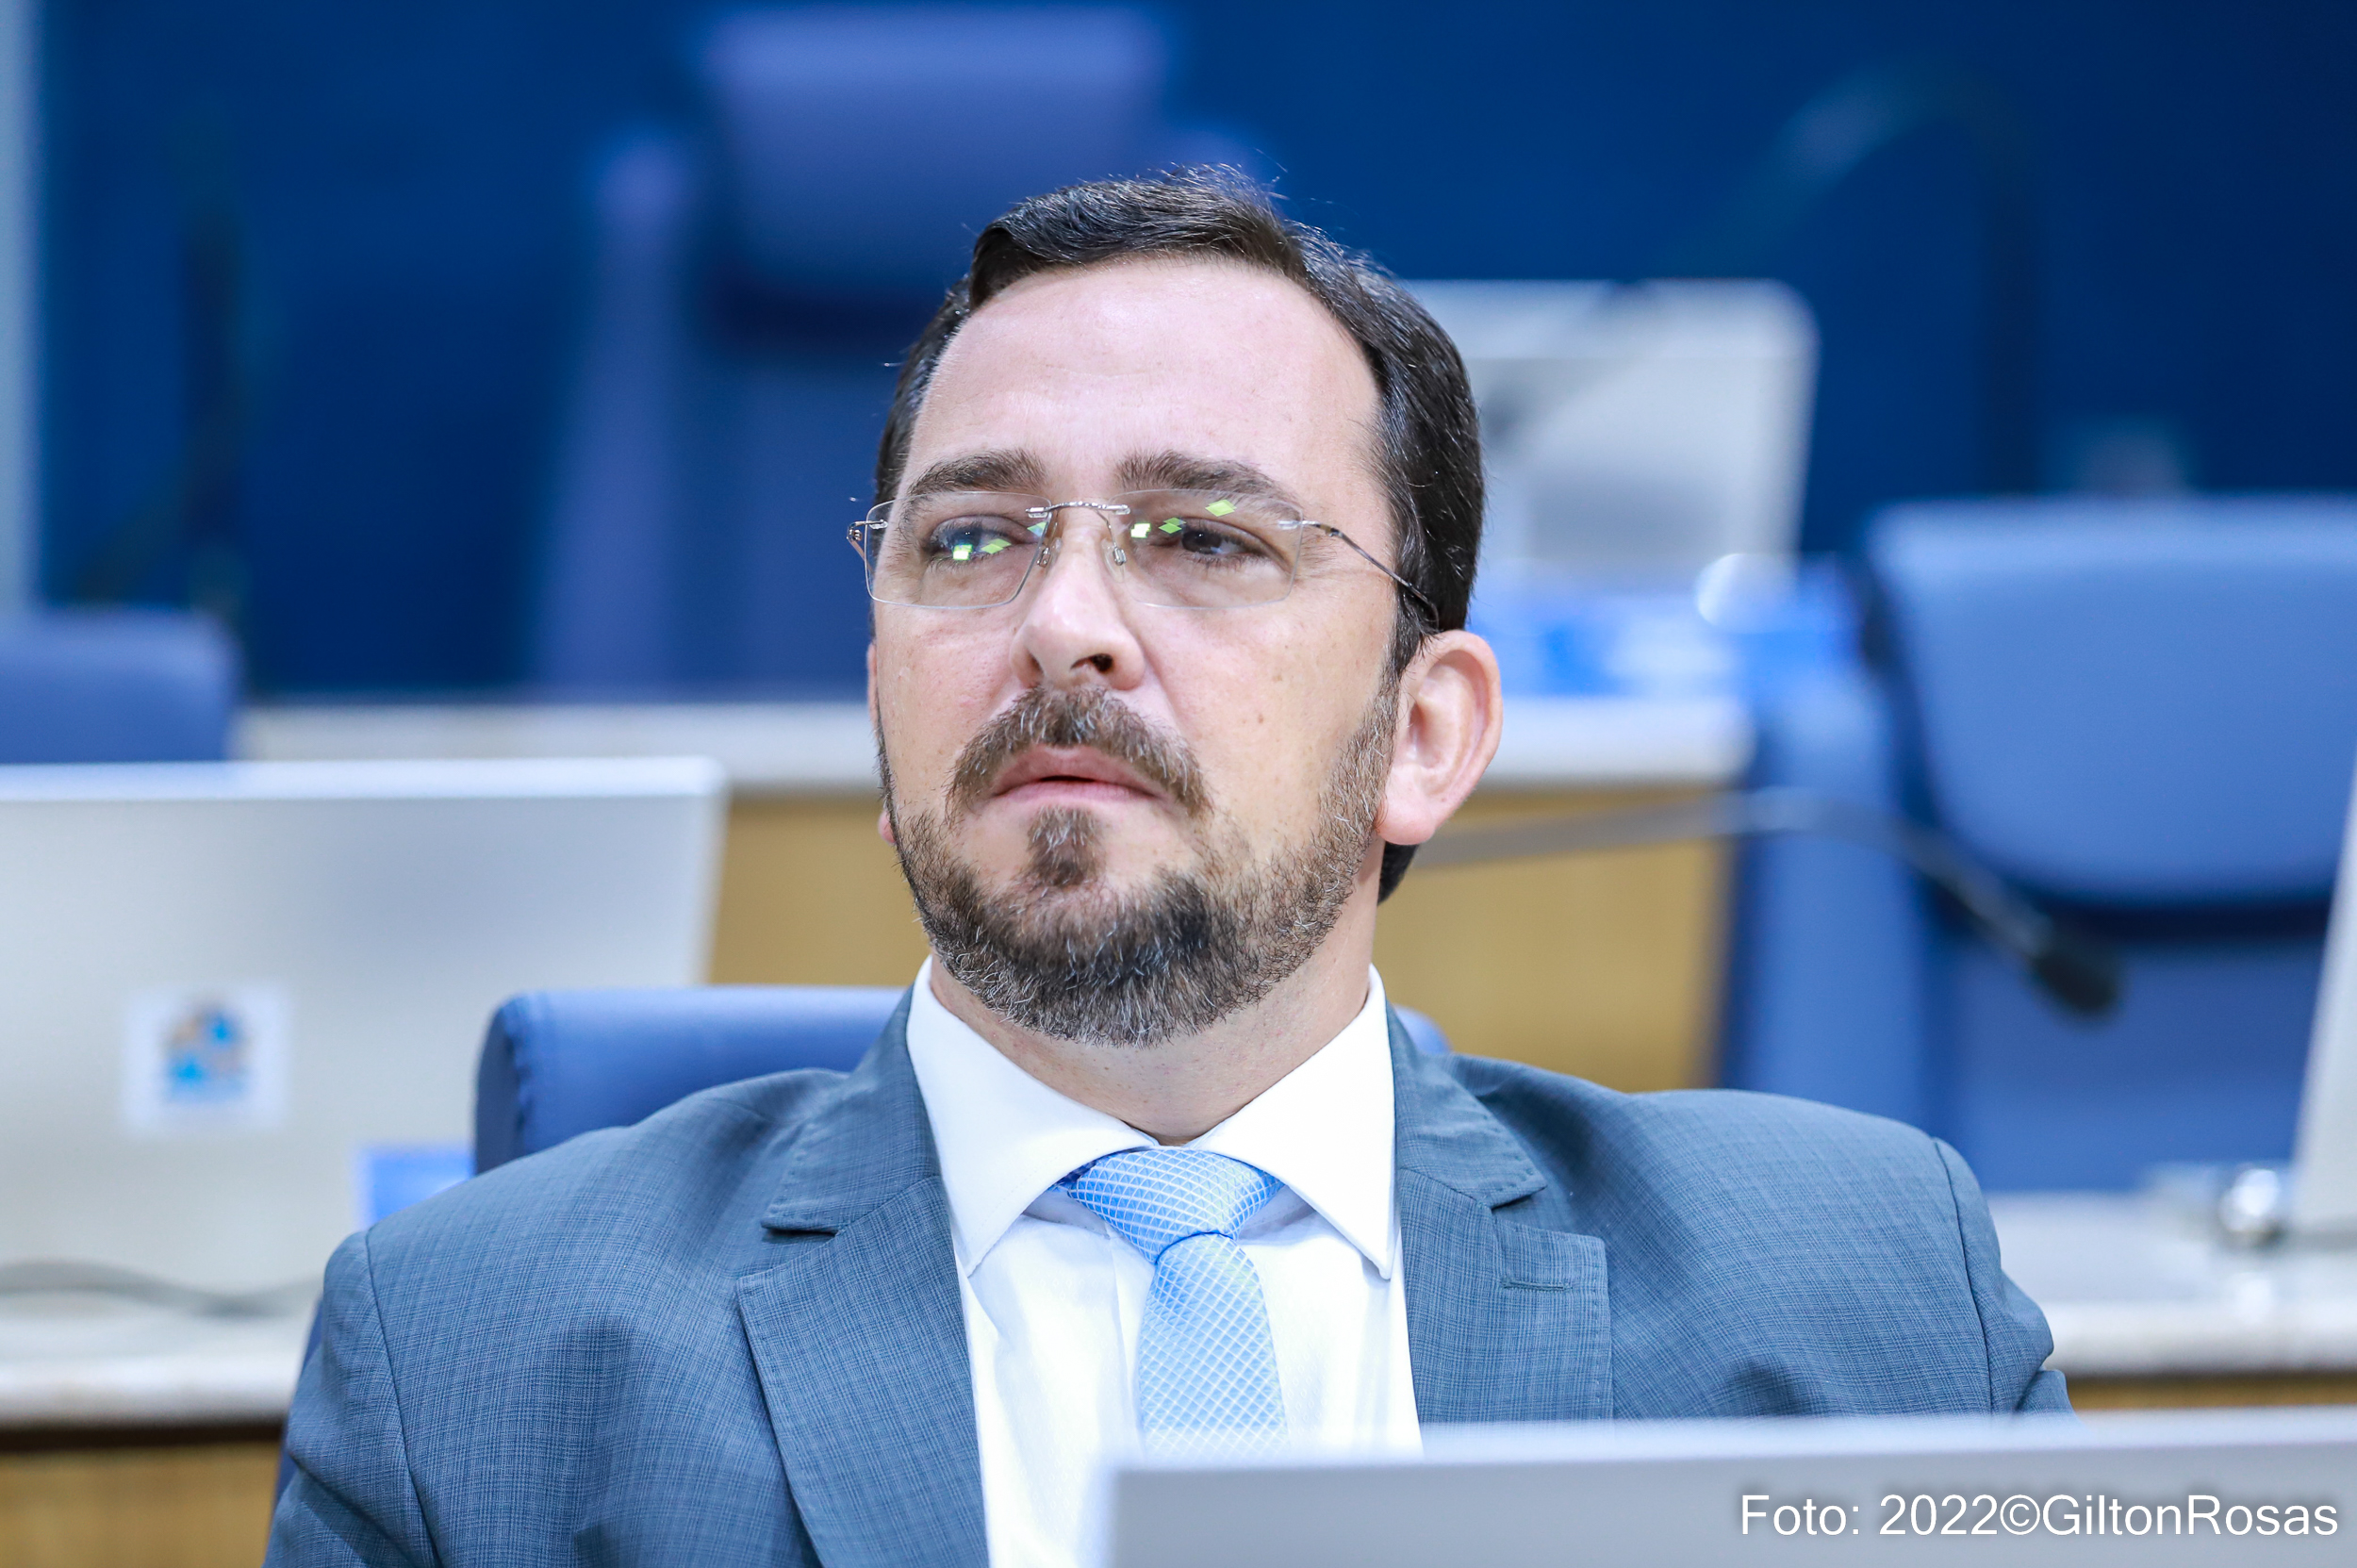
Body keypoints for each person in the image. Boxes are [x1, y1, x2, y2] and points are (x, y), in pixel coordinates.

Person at [269, 171, 2065, 1568]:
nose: (1064, 623)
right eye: (971, 539)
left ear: (1426, 733)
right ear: (885, 703)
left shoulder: (1865, 1310)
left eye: (1201, 538)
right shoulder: (469, 1370)